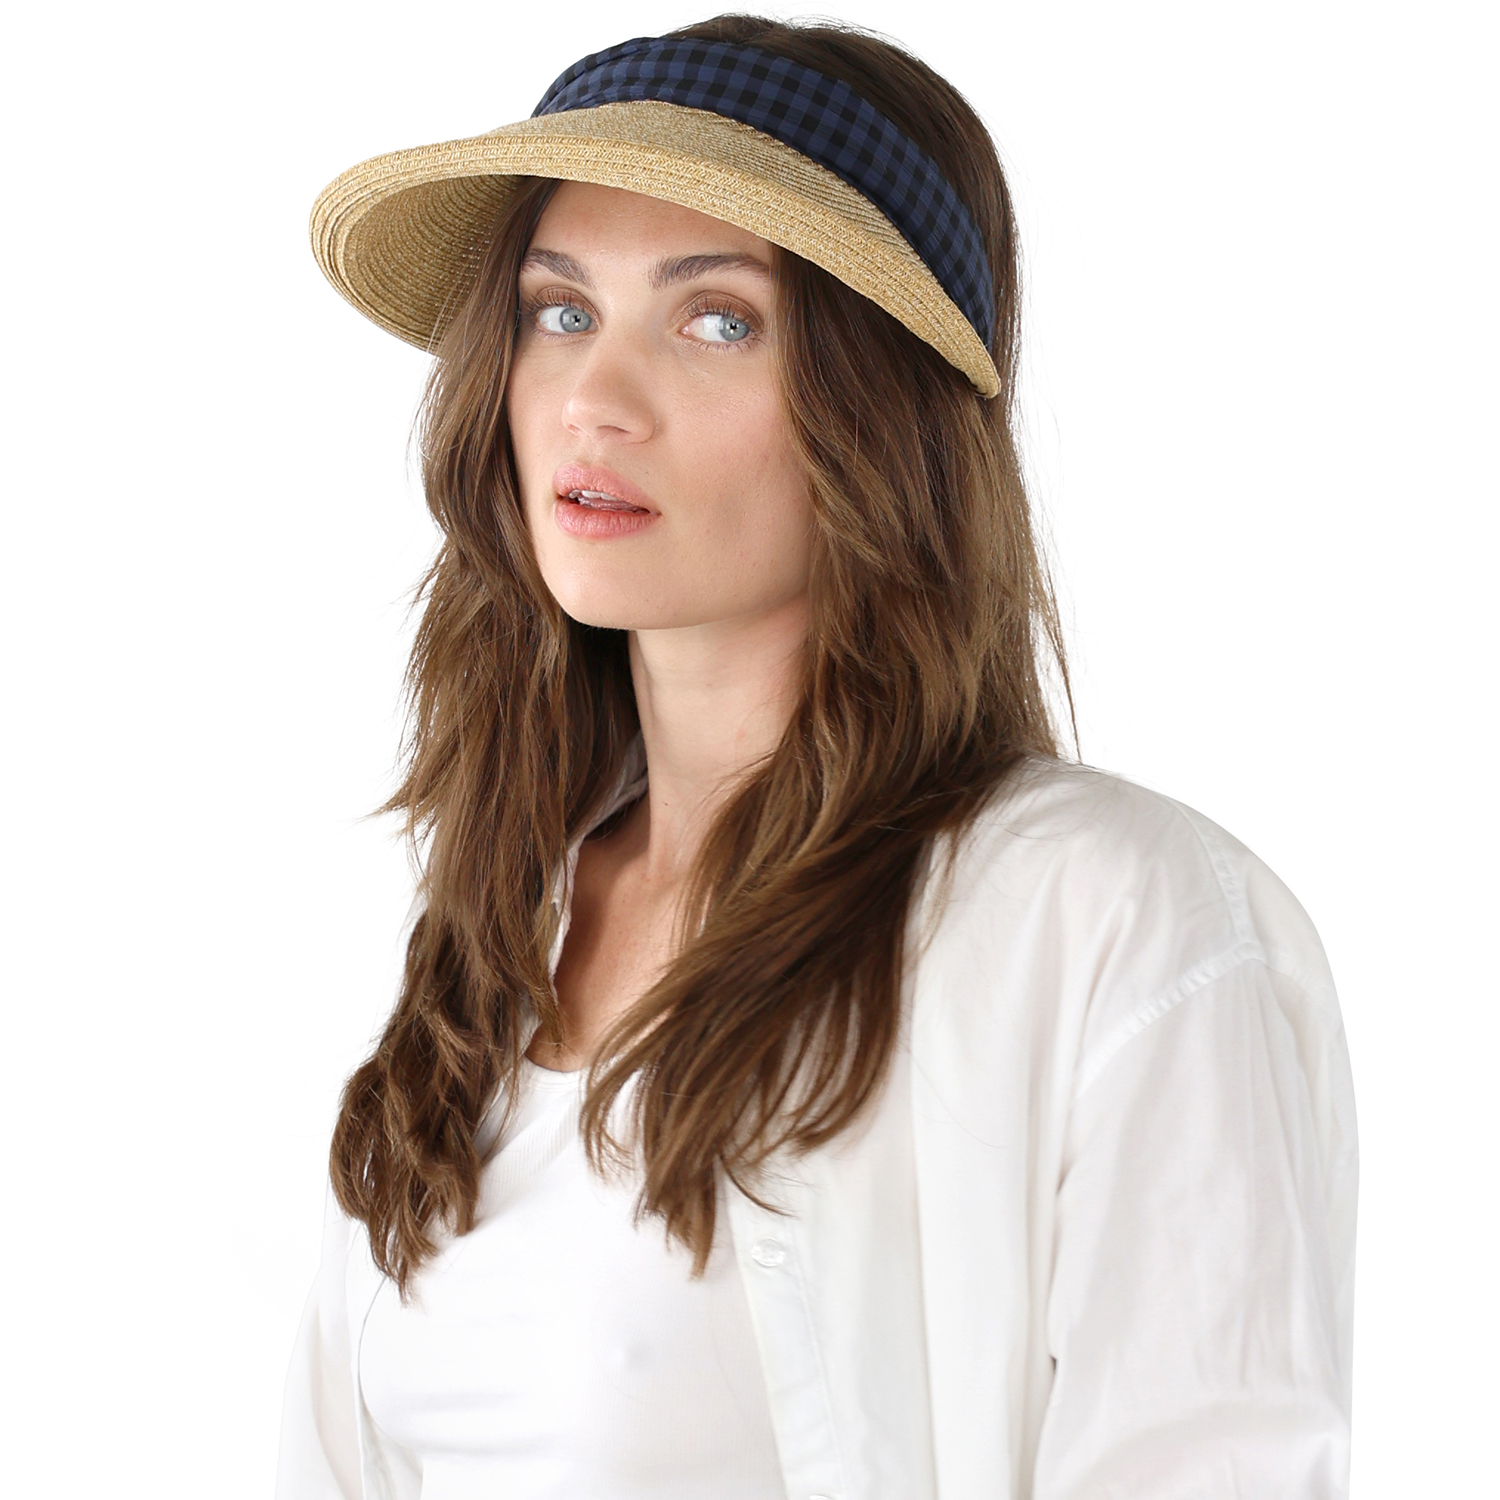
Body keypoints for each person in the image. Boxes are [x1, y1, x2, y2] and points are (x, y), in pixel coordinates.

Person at [278, 16, 1357, 1499]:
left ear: (881, 414)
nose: (595, 398)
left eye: (718, 320)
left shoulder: (1104, 918)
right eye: (558, 310)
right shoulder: (483, 937)